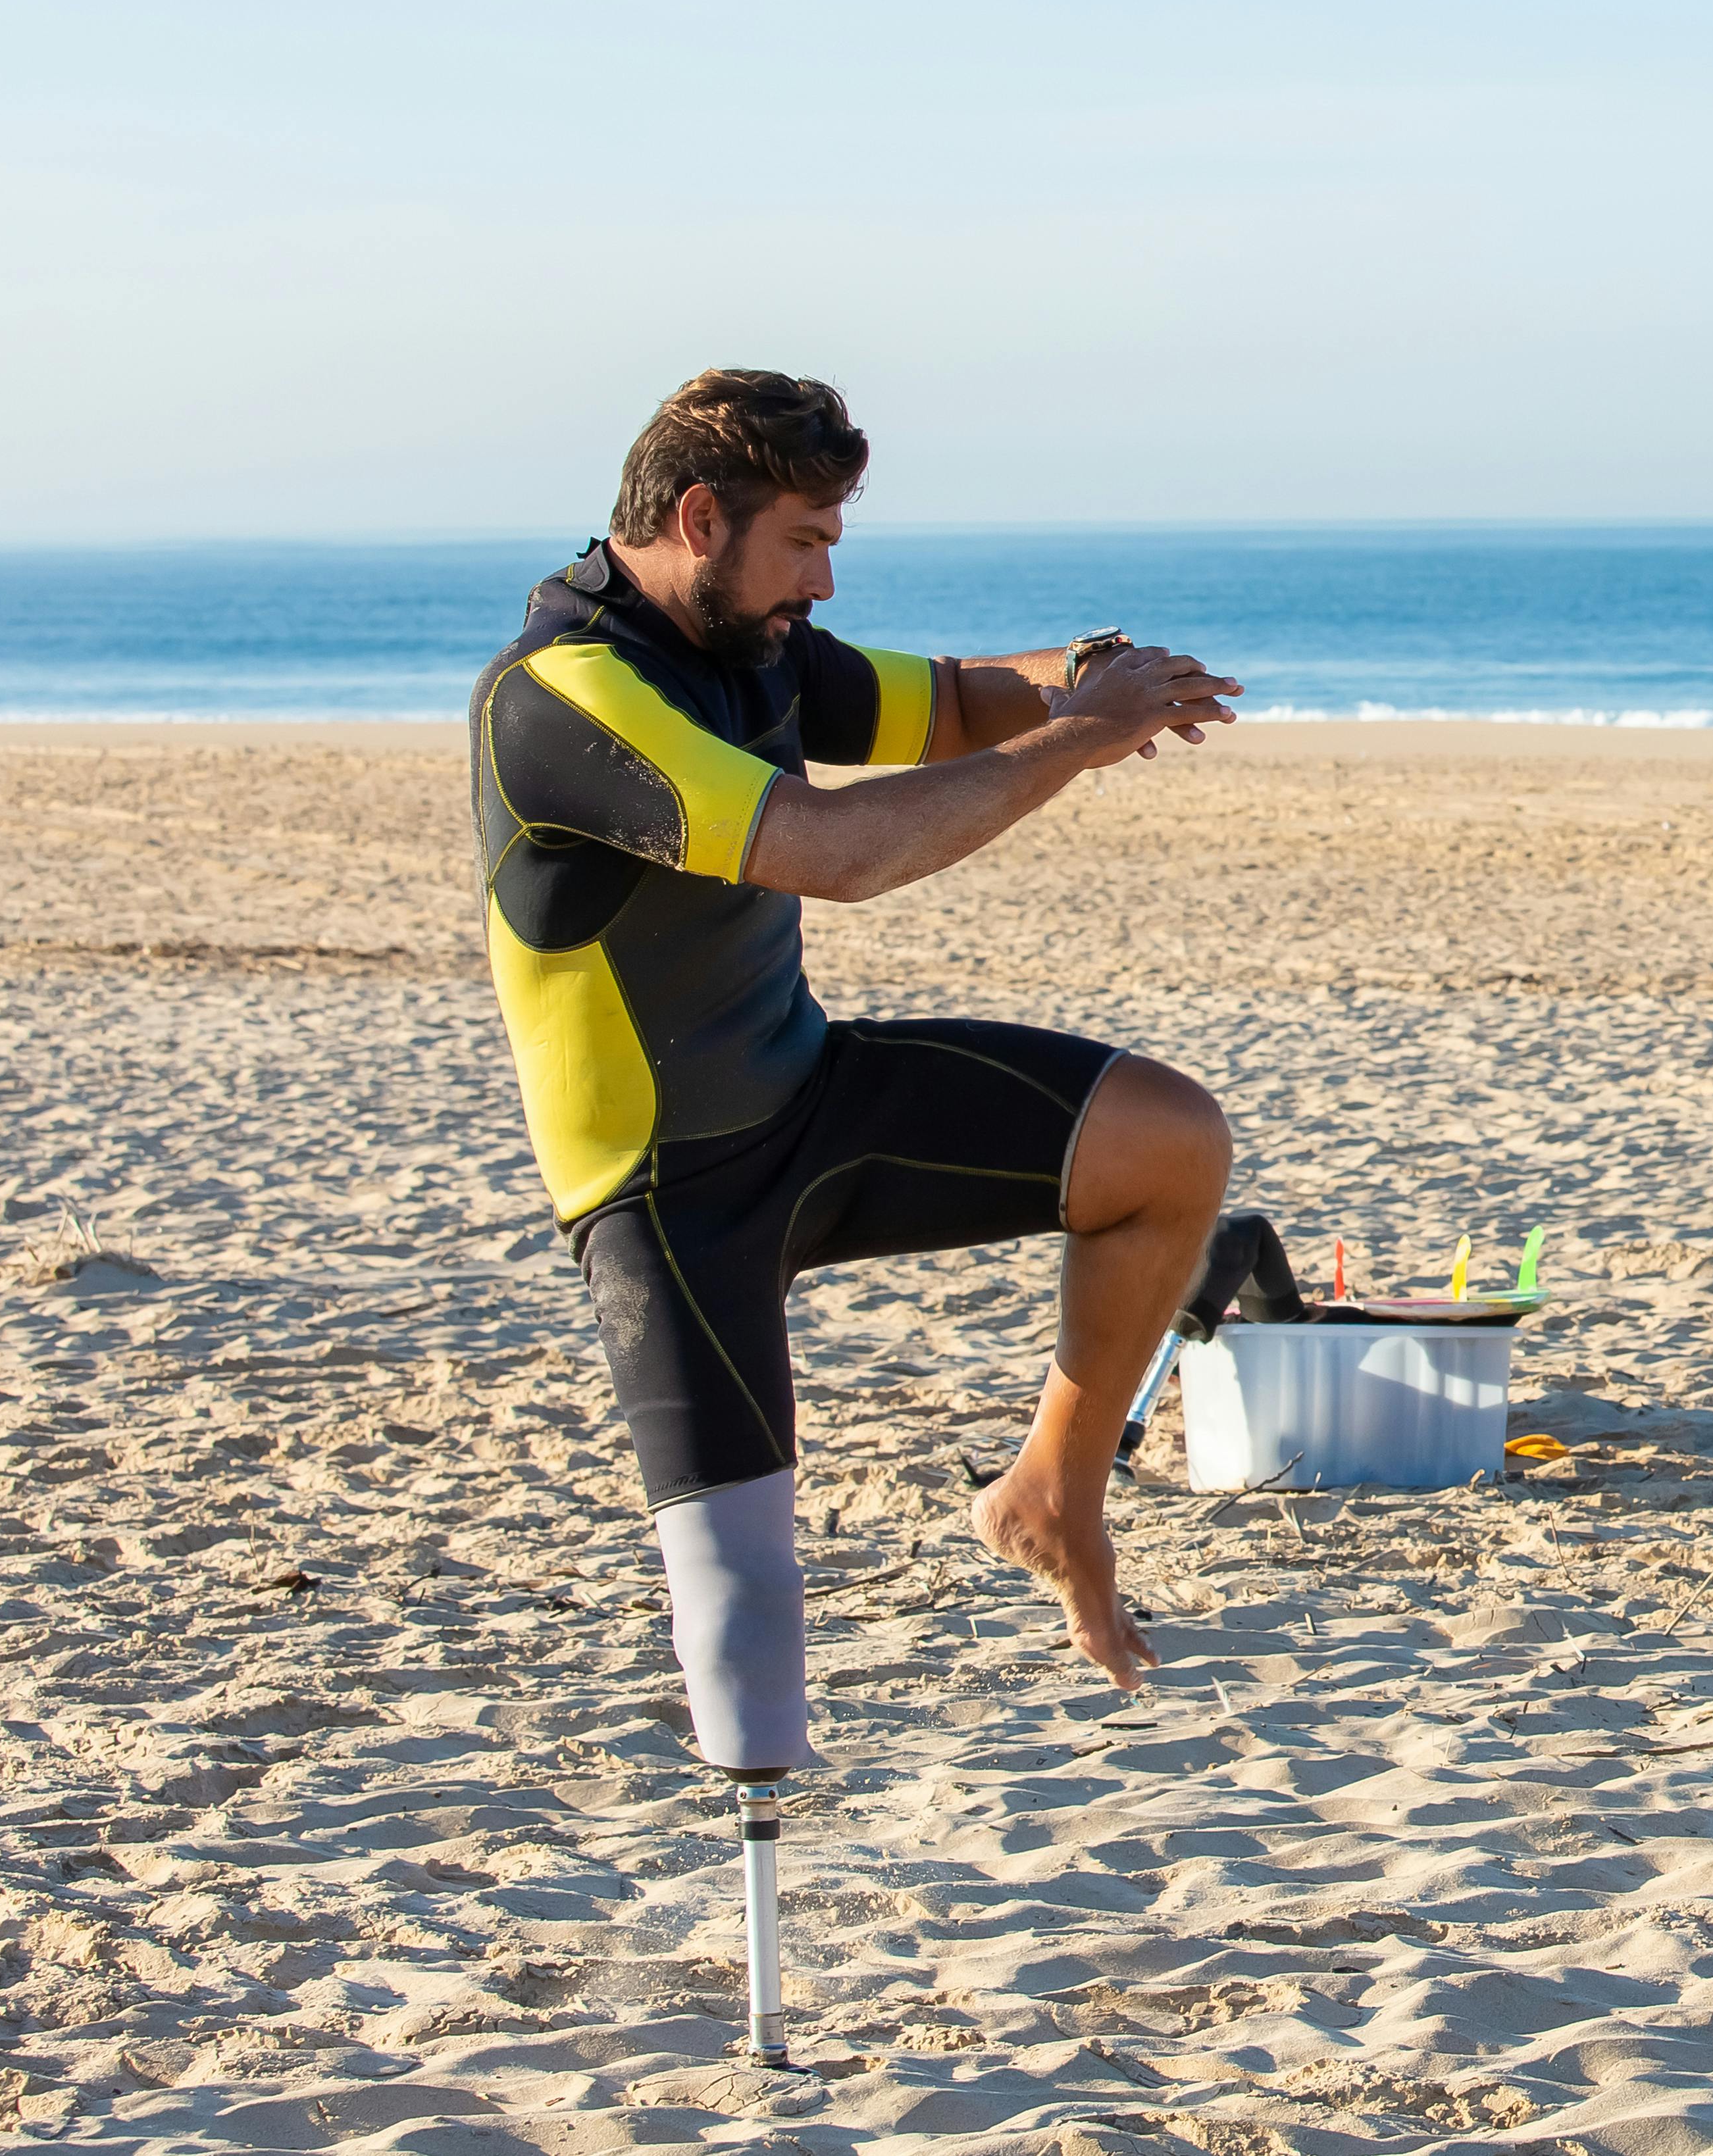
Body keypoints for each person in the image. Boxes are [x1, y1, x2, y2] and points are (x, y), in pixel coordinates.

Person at [468, 367, 1239, 1771]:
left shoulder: (747, 639)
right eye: (806, 541)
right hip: (667, 1196)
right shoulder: (567, 696)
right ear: (699, 516)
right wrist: (1081, 737)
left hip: (805, 1096)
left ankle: (1051, 1494)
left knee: (1170, 1143)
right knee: (749, 1632)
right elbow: (841, 851)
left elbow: (944, 706)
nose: (822, 581)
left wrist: (1090, 676)